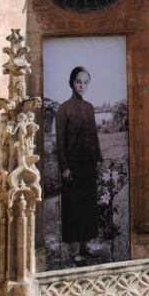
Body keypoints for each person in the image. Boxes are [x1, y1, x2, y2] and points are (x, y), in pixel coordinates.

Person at [56, 66, 103, 265]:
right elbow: (60, 141)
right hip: (72, 167)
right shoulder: (64, 109)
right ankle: (75, 251)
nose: (81, 86)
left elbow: (94, 136)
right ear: (71, 83)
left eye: (85, 82)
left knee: (87, 207)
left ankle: (86, 247)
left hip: (89, 165)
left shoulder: (90, 107)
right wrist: (65, 167)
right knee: (73, 208)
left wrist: (99, 159)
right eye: (78, 82)